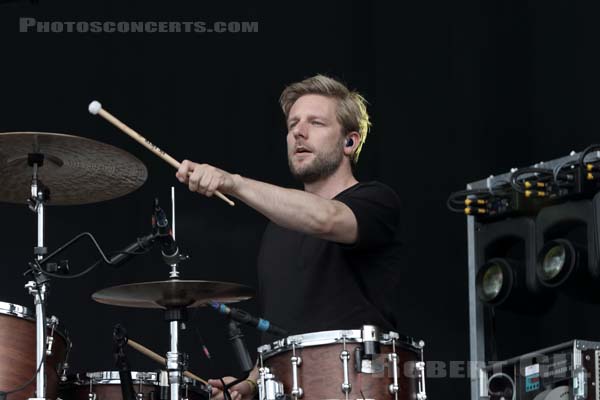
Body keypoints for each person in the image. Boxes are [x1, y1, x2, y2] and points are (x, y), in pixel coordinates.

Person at [176, 75, 402, 400]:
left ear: (349, 142)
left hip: (358, 387)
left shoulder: (377, 200)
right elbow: (282, 329)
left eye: (316, 122)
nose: (298, 131)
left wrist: (234, 183)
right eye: (293, 123)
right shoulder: (277, 229)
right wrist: (251, 383)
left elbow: (326, 217)